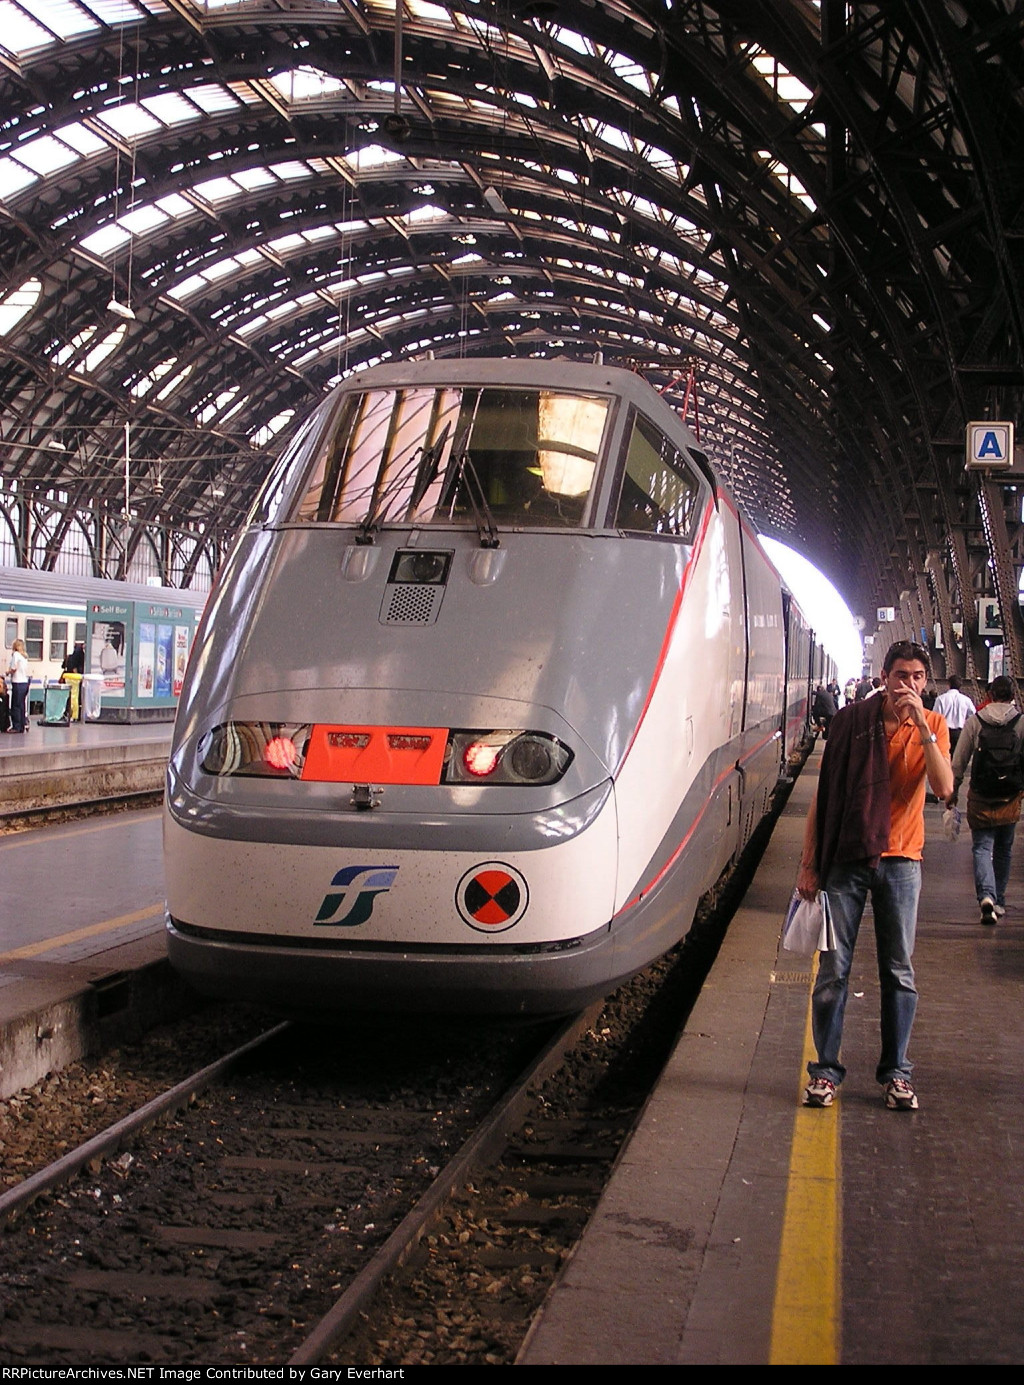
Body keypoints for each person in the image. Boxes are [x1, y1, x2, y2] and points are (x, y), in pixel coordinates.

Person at [796, 639, 953, 1112]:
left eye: (918, 677)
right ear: (884, 677)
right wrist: (809, 863)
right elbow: (824, 798)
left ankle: (897, 1074)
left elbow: (945, 788)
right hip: (847, 858)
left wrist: (922, 724)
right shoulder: (850, 724)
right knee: (833, 970)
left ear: (926, 683)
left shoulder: (937, 725)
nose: (909, 684)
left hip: (903, 861)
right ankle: (825, 1071)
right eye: (902, 675)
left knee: (898, 971)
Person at [947, 675, 1024, 925]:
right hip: (1010, 796)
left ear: (990, 695)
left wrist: (953, 791)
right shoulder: (1021, 722)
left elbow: (958, 762)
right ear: (1014, 695)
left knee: (982, 848)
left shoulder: (976, 721)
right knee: (1003, 849)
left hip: (980, 795)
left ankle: (986, 897)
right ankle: (999, 900)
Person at [932, 675, 976, 753]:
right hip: (959, 732)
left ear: (948, 684)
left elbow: (935, 717)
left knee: (944, 755)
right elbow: (973, 715)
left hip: (944, 731)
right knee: (956, 756)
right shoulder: (966, 700)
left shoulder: (941, 699)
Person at [7, 638, 30, 733]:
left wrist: (7, 672)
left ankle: (16, 726)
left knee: (15, 705)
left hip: (18, 682)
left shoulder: (16, 655)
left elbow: (13, 668)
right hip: (25, 683)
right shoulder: (24, 657)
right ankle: (21, 726)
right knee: (21, 705)